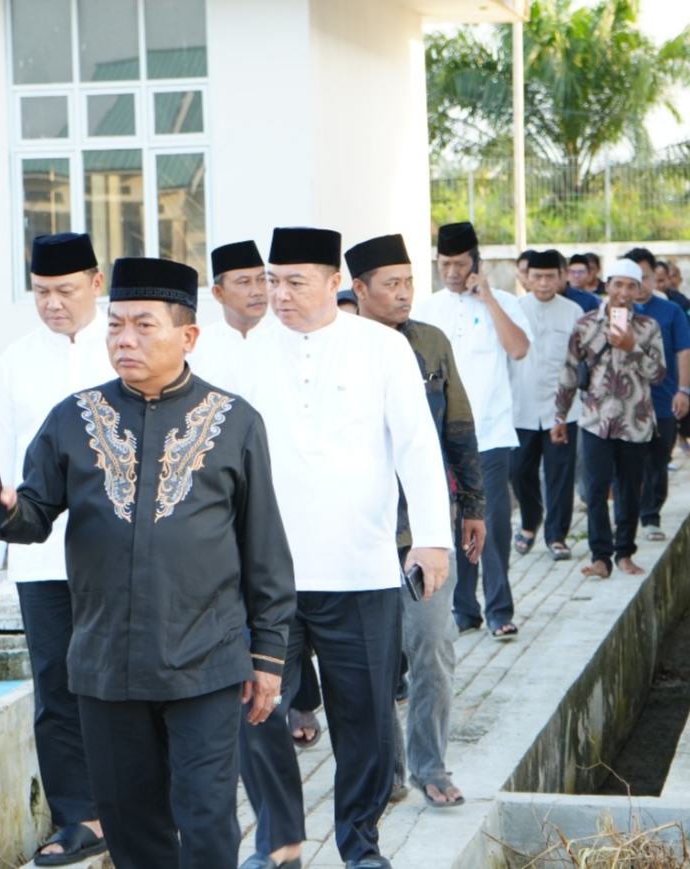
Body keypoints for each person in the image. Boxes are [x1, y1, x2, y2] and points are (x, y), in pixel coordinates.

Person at [0, 256, 296, 869]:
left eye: (144, 325)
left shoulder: (235, 422)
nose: (124, 339)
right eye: (116, 324)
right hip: (106, 665)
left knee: (206, 818)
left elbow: (265, 551)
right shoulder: (73, 418)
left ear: (188, 335)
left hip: (204, 662)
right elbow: (35, 514)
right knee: (130, 826)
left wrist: (269, 658)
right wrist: (2, 512)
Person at [236, 227, 452, 869]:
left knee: (366, 719)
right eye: (273, 281)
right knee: (258, 713)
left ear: (334, 283)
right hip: (268, 578)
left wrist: (432, 540)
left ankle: (361, 844)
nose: (279, 294)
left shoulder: (382, 348)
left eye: (295, 282)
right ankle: (278, 842)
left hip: (360, 569)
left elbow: (417, 444)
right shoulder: (250, 353)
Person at [0, 231, 114, 866]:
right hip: (39, 555)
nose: (53, 304)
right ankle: (77, 817)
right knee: (56, 686)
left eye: (65, 290)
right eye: (41, 292)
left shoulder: (125, 346)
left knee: (124, 686)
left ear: (96, 283)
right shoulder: (17, 359)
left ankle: (138, 810)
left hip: (120, 557)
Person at [348, 232, 484, 810]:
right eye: (392, 284)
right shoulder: (341, 347)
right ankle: (388, 771)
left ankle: (431, 766)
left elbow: (459, 427)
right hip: (362, 532)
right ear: (359, 290)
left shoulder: (430, 342)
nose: (405, 293)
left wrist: (473, 506)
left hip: (425, 531)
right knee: (373, 661)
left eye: (409, 282)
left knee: (432, 647)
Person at [417, 222, 531, 640]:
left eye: (461, 264)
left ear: (477, 263)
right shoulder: (426, 310)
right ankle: (465, 609)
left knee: (494, 524)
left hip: (492, 435)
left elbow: (518, 349)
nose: (452, 272)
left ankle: (500, 610)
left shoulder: (504, 303)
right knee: (453, 526)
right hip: (442, 441)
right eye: (444, 264)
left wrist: (489, 299)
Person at [553, 258, 665, 579]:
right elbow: (570, 371)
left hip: (635, 422)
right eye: (618, 285)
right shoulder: (586, 325)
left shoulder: (648, 327)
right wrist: (560, 415)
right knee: (596, 489)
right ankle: (601, 557)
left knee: (629, 489)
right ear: (607, 286)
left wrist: (632, 347)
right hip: (595, 421)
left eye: (631, 286)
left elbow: (658, 374)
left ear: (639, 289)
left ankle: (625, 553)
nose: (624, 292)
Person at [510, 249, 584, 561]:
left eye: (550, 276)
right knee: (519, 471)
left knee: (560, 475)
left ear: (562, 277)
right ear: (525, 278)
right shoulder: (512, 310)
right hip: (520, 408)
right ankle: (530, 521)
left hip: (563, 411)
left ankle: (557, 536)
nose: (543, 283)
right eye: (537, 276)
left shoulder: (573, 312)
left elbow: (579, 362)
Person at [621, 248, 690, 542]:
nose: (639, 285)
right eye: (632, 279)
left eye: (645, 277)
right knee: (625, 463)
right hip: (624, 402)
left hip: (662, 400)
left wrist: (684, 391)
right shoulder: (615, 314)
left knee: (657, 460)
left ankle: (651, 516)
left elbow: (684, 353)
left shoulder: (671, 311)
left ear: (654, 277)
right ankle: (625, 519)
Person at [191, 240, 269, 384]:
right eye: (244, 282)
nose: (257, 291)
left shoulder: (287, 340)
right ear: (218, 293)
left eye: (261, 279)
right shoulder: (197, 348)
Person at [662, 260, 690, 454]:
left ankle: (683, 436)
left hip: (681, 362)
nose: (671, 281)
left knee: (688, 399)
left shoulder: (682, 304)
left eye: (674, 277)